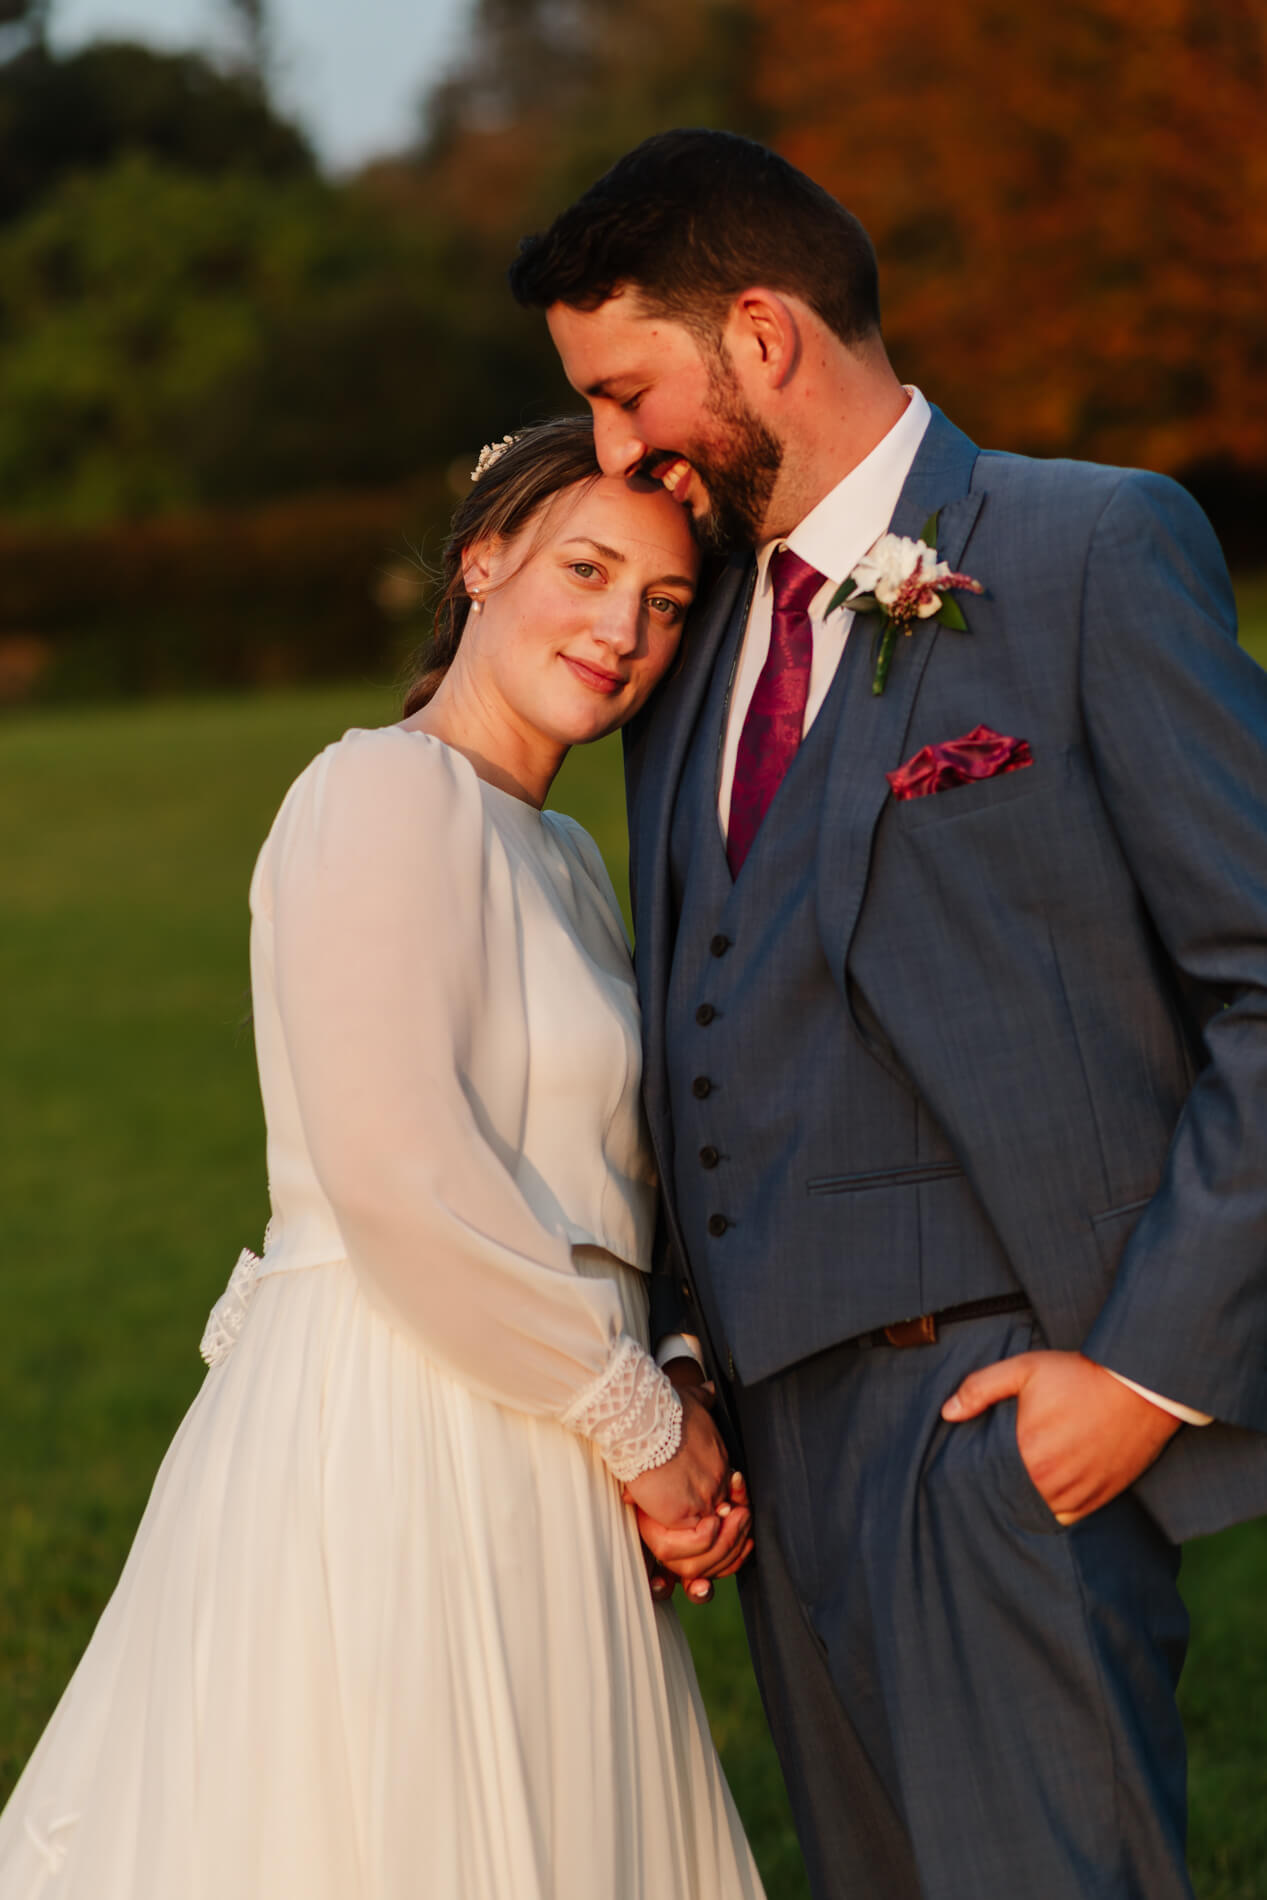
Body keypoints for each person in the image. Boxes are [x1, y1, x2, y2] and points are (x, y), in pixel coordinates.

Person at [509, 130, 1267, 1900]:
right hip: (778, 1463)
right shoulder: (689, 648)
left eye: (626, 394)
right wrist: (683, 1377)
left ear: (761, 335)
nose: (612, 457)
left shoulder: (1087, 548)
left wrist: (1142, 1374)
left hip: (1003, 1430)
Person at [0, 416, 765, 1900]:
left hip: (559, 1424)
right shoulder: (380, 792)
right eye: (588, 570)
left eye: (666, 605)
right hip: (410, 1413)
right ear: (483, 562)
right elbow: (403, 1175)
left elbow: (617, 1181)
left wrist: (672, 1372)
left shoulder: (567, 857)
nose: (622, 630)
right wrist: (650, 1437)